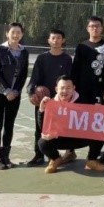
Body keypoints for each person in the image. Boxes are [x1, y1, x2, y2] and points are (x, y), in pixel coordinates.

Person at [37, 76, 104, 174]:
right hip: (60, 138)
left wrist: (98, 110)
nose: (65, 91)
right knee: (42, 142)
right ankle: (55, 159)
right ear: (56, 89)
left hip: (79, 138)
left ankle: (92, 160)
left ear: (74, 88)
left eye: (68, 88)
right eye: (62, 88)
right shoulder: (50, 103)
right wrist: (41, 110)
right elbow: (42, 127)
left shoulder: (85, 101)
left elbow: (95, 121)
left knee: (100, 130)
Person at [25, 29, 72, 167]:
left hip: (61, 100)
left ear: (63, 40)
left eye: (59, 38)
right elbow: (34, 78)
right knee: (40, 128)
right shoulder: (42, 58)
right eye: (53, 38)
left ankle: (69, 152)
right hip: (44, 101)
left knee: (64, 128)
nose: (56, 40)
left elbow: (69, 79)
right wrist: (31, 92)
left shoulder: (67, 59)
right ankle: (38, 155)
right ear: (49, 41)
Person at [0, 22, 29, 170]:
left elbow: (23, 74)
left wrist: (16, 91)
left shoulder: (24, 52)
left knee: (9, 125)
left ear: (22, 34)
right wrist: (6, 91)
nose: (16, 35)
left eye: (18, 32)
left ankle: (6, 157)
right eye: (13, 32)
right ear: (7, 33)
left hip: (15, 94)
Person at [71, 16, 104, 105]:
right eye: (92, 26)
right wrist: (73, 86)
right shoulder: (81, 46)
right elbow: (75, 68)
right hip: (82, 88)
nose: (95, 28)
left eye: (97, 26)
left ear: (101, 28)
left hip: (100, 88)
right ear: (87, 28)